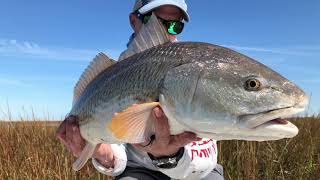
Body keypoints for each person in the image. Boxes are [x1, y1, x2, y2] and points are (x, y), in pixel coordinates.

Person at [56, 0, 224, 179]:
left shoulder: (193, 68)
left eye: (175, 26)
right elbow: (118, 151)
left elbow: (205, 161)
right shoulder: (115, 74)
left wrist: (169, 157)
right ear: (133, 21)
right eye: (153, 22)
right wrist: (103, 153)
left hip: (193, 171)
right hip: (139, 169)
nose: (165, 33)